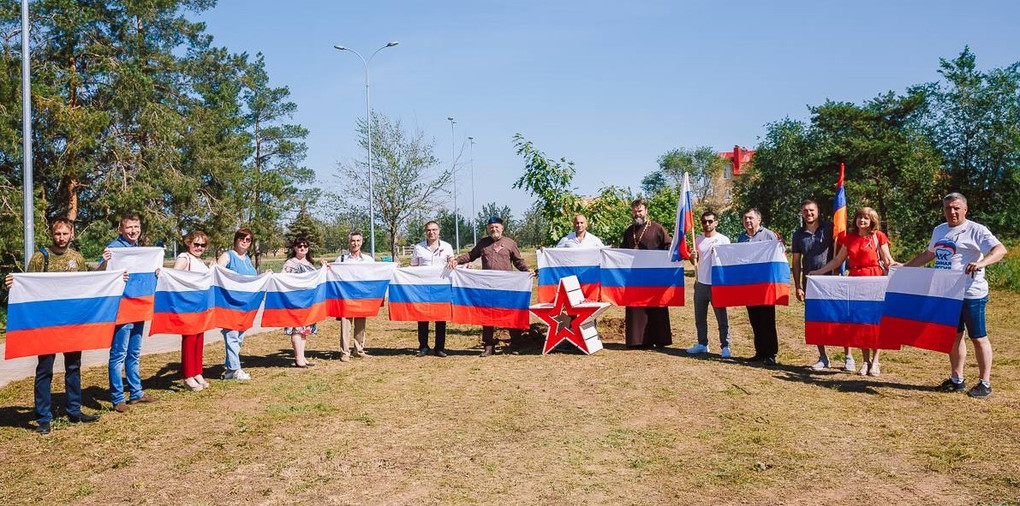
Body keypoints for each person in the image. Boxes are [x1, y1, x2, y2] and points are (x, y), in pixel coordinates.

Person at [904, 193, 1007, 398]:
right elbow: (928, 255)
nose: (952, 212)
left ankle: (985, 383)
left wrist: (981, 263)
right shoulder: (940, 230)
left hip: (971, 293)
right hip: (947, 294)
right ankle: (956, 379)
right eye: (948, 208)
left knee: (978, 337)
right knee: (954, 336)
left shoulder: (976, 230)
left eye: (956, 208)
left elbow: (1000, 249)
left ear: (965, 209)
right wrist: (904, 268)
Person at [5, 219, 100, 434]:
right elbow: (27, 287)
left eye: (66, 233)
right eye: (58, 233)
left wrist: (114, 278)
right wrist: (14, 284)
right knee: (44, 370)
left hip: (72, 323)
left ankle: (74, 411)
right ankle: (43, 418)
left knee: (73, 367)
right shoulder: (40, 258)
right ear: (51, 234)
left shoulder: (77, 258)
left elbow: (88, 286)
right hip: (46, 324)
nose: (62, 238)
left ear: (72, 234)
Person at [810, 207, 896, 376]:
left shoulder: (878, 236)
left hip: (876, 280)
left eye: (866, 218)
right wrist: (819, 272)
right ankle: (865, 361)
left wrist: (908, 268)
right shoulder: (849, 239)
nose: (862, 221)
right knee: (860, 322)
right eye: (859, 217)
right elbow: (837, 260)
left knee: (875, 322)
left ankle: (876, 361)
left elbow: (888, 261)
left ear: (872, 220)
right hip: (856, 282)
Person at [447, 217, 533, 357]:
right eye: (491, 227)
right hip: (487, 286)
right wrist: (457, 260)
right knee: (487, 314)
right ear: (488, 229)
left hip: (506, 286)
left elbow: (518, 261)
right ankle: (488, 345)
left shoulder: (510, 243)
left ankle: (515, 344)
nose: (494, 229)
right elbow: (471, 255)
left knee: (510, 313)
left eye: (496, 227)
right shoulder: (483, 243)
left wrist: (526, 270)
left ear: (502, 228)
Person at [99, 212, 155, 412]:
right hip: (122, 309)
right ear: (121, 229)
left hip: (139, 306)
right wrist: (105, 262)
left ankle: (136, 393)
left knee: (134, 353)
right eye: (130, 227)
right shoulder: (114, 249)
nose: (134, 231)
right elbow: (100, 275)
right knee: (119, 354)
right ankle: (117, 398)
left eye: (136, 227)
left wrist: (155, 270)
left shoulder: (140, 250)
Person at [791, 199, 852, 372]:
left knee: (841, 318)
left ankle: (848, 356)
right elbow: (796, 262)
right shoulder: (798, 234)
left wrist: (841, 270)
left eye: (811, 210)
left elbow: (842, 249)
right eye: (805, 211)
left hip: (832, 279)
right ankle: (823, 357)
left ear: (817, 211)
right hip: (811, 282)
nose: (808, 213)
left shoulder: (830, 228)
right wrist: (797, 286)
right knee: (816, 320)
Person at [621, 198, 673, 348]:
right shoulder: (629, 231)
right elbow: (623, 251)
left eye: (640, 211)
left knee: (656, 308)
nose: (637, 214)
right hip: (634, 277)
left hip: (654, 276)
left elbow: (668, 245)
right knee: (636, 309)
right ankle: (637, 340)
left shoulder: (657, 228)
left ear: (646, 211)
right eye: (635, 211)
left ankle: (660, 339)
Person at [738, 208, 783, 366]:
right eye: (745, 218)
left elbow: (778, 254)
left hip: (765, 284)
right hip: (749, 285)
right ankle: (759, 351)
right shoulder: (741, 238)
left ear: (759, 220)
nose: (747, 221)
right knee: (754, 319)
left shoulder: (769, 235)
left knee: (767, 319)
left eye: (750, 218)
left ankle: (770, 353)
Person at [686, 211, 731, 357]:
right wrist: (693, 258)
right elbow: (695, 262)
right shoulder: (697, 240)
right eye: (704, 222)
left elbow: (729, 261)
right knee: (700, 317)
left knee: (721, 317)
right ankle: (702, 343)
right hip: (701, 283)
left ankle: (725, 346)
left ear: (716, 222)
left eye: (710, 221)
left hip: (717, 284)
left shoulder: (723, 240)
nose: (707, 224)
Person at [217, 228, 258, 380]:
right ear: (236, 239)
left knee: (239, 337)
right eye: (242, 238)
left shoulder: (247, 259)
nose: (245, 242)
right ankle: (235, 369)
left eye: (248, 240)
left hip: (245, 305)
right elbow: (218, 273)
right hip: (230, 304)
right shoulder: (228, 256)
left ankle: (229, 370)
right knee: (232, 335)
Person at [173, 230, 212, 391]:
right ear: (188, 243)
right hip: (188, 305)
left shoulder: (200, 261)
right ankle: (188, 376)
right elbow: (175, 276)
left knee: (198, 339)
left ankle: (197, 372)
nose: (199, 247)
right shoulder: (184, 258)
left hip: (200, 305)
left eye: (202, 245)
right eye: (196, 244)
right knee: (189, 340)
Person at [410, 221, 455, 357]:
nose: (432, 232)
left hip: (441, 288)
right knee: (422, 317)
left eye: (434, 230)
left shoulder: (447, 247)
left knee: (441, 317)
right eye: (429, 230)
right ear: (425, 232)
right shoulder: (418, 248)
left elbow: (453, 263)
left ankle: (439, 348)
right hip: (423, 288)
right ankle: (423, 346)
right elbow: (413, 267)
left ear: (439, 231)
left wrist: (456, 264)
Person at [334, 231, 374, 363]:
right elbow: (333, 273)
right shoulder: (341, 260)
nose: (355, 243)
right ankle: (345, 352)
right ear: (349, 242)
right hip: (346, 297)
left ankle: (359, 349)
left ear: (361, 242)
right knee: (346, 325)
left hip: (362, 296)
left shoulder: (368, 260)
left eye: (358, 241)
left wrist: (392, 267)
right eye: (353, 241)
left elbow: (376, 274)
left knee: (361, 324)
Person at [282, 237, 319, 368]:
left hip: (308, 302)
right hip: (295, 302)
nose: (302, 248)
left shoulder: (310, 264)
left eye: (305, 246)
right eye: (299, 246)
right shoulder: (290, 263)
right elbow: (283, 279)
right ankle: (298, 359)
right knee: (296, 330)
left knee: (304, 330)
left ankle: (302, 357)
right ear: (294, 248)